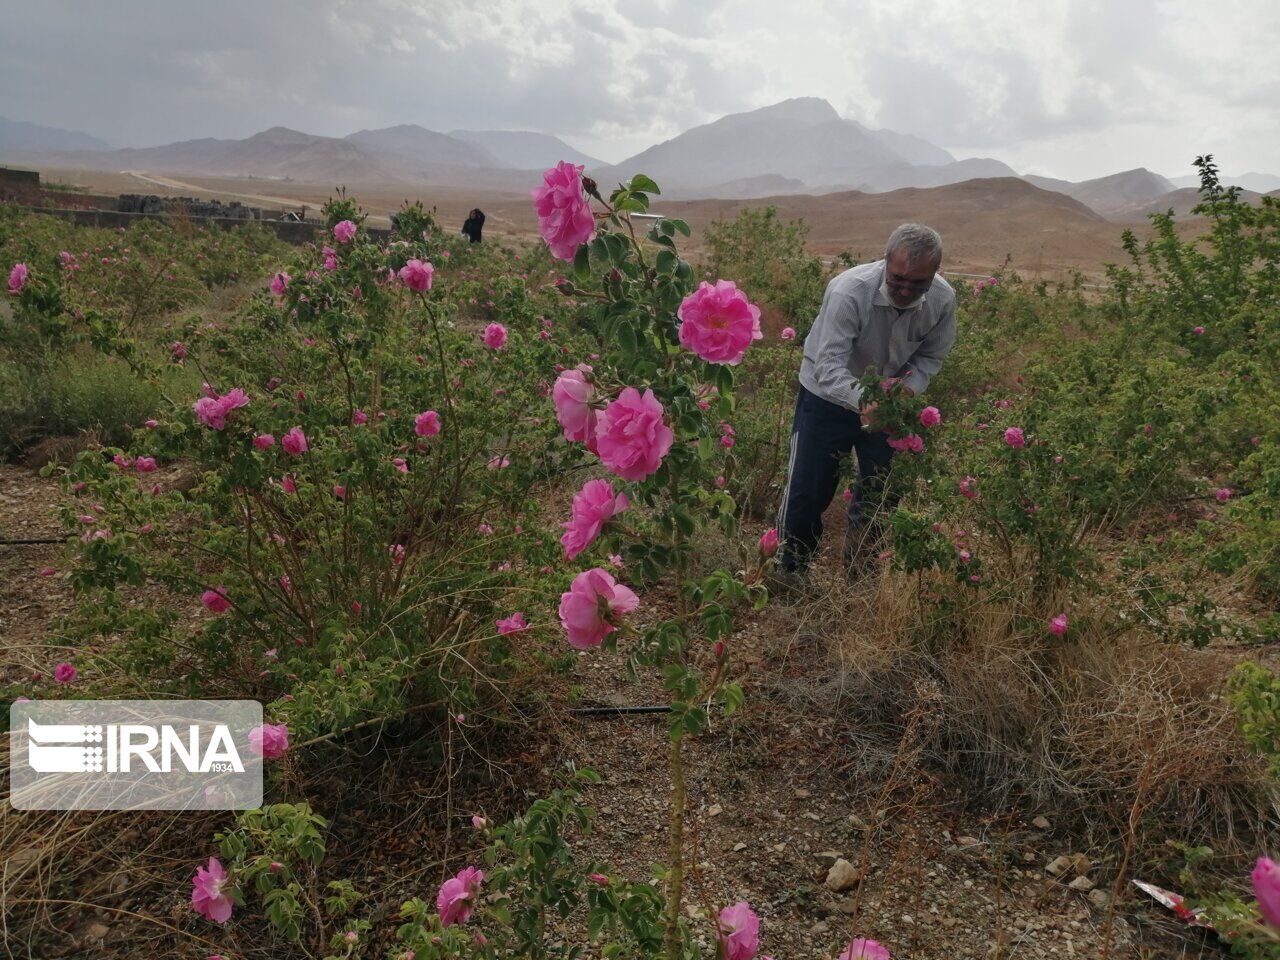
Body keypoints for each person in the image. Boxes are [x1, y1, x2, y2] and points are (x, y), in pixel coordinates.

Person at [776, 223, 957, 578]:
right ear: (885, 261)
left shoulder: (943, 299)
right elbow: (828, 366)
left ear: (934, 275)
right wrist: (867, 400)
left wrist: (906, 391)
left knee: (880, 492)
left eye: (917, 283)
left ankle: (860, 574)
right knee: (809, 489)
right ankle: (790, 571)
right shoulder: (849, 291)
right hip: (826, 397)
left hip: (890, 403)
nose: (906, 289)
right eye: (898, 278)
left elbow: (931, 357)